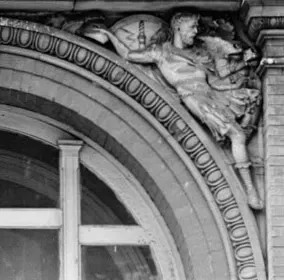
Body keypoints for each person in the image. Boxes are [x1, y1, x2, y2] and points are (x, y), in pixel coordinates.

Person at [92, 12, 264, 210]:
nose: (195, 31)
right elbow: (129, 55)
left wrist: (245, 62)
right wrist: (110, 35)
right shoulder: (161, 52)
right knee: (238, 135)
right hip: (195, 99)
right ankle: (250, 192)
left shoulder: (199, 54)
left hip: (214, 95)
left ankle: (245, 177)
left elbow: (221, 74)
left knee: (249, 107)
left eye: (196, 27)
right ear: (178, 28)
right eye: (192, 27)